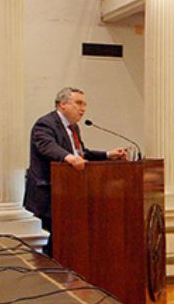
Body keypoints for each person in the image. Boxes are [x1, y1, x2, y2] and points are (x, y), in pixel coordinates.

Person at [25, 87, 128, 254]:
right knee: (49, 245)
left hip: (68, 194)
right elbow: (47, 147)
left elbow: (82, 154)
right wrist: (69, 158)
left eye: (85, 104)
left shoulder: (73, 128)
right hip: (48, 195)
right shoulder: (45, 123)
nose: (83, 108)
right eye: (79, 103)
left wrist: (109, 154)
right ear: (63, 105)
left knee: (65, 243)